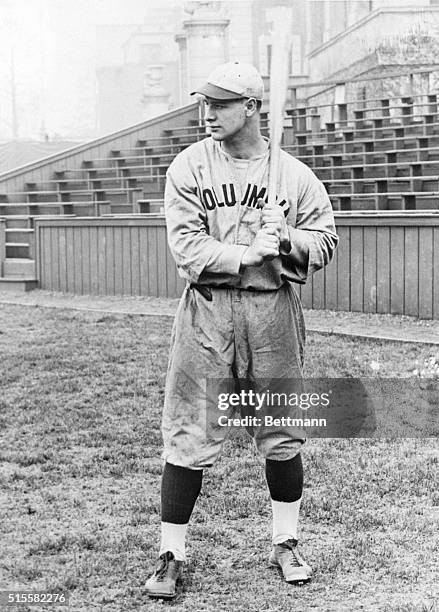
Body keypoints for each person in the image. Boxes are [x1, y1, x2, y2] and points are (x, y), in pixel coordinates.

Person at [144, 62, 338, 599]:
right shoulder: (189, 167)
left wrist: (287, 242)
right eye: (206, 103)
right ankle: (171, 554)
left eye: (222, 104)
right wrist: (242, 252)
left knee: (280, 429)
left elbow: (326, 240)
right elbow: (186, 248)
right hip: (208, 308)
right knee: (188, 431)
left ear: (252, 107)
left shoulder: (294, 175)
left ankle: (286, 541)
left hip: (271, 310)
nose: (208, 113)